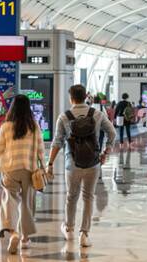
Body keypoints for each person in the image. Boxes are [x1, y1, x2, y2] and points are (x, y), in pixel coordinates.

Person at [46, 84, 114, 247]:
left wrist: (50, 163)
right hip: (93, 162)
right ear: (85, 97)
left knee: (71, 196)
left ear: (71, 98)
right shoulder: (96, 114)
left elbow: (57, 142)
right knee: (88, 197)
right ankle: (84, 234)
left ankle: (69, 229)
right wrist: (106, 153)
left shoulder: (64, 117)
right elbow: (112, 132)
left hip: (72, 163)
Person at [0, 94, 44, 255]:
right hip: (29, 169)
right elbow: (41, 150)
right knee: (27, 204)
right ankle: (25, 239)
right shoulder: (34, 126)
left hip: (9, 168)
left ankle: (13, 232)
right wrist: (44, 166)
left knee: (9, 201)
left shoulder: (6, 127)